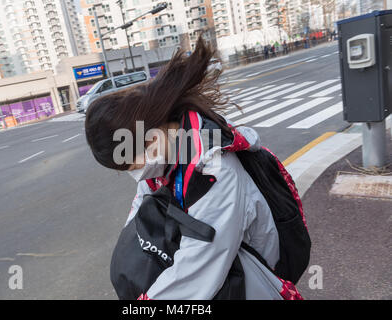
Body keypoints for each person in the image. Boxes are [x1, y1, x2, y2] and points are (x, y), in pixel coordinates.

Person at [84, 36, 303, 300]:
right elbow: (140, 211)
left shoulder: (212, 170)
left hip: (253, 273)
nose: (135, 173)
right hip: (222, 266)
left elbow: (198, 269)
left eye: (130, 165)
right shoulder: (169, 146)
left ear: (151, 141)